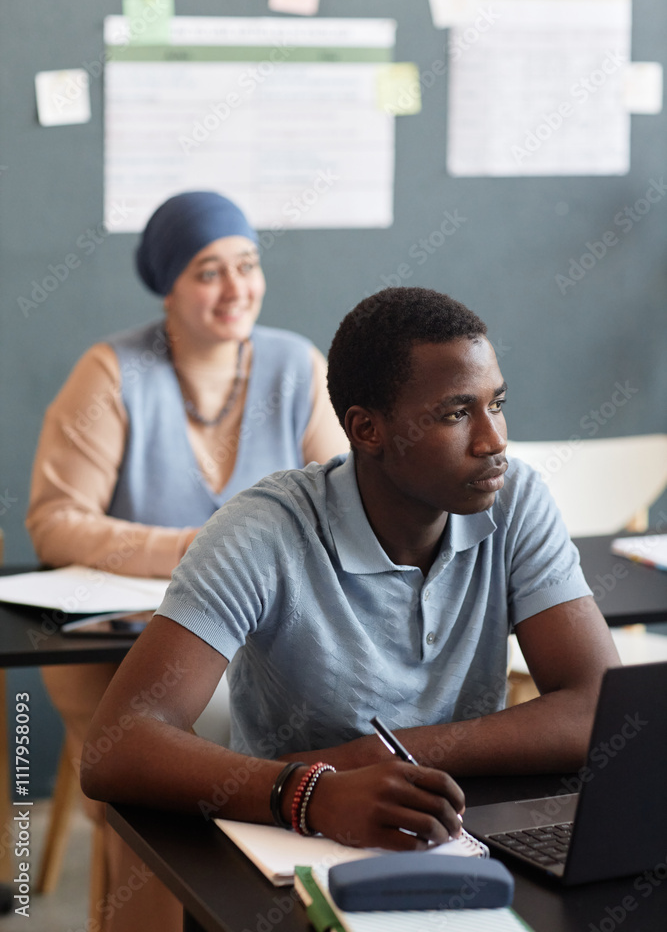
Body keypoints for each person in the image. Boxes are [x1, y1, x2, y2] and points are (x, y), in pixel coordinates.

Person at [82, 286, 619, 857]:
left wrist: (386, 753)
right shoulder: (263, 531)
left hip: (460, 829)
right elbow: (116, 747)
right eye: (457, 414)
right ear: (367, 430)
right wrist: (313, 794)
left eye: (498, 404)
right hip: (291, 840)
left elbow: (598, 709)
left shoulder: (515, 499)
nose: (494, 441)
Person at [26, 190, 348, 931]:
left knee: (309, 751)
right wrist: (197, 554)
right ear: (168, 284)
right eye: (209, 271)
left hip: (265, 643)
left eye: (247, 264)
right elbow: (54, 522)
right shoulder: (110, 374)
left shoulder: (297, 367)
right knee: (157, 777)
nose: (236, 288)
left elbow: (342, 508)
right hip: (117, 646)